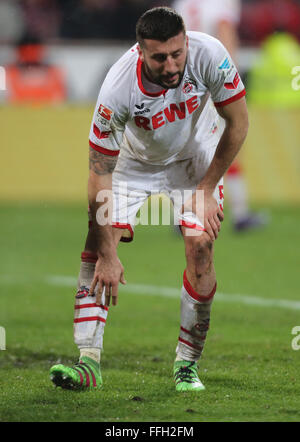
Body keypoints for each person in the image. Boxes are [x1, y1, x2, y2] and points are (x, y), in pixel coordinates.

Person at [50, 7, 248, 392]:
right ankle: (87, 361)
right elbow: (98, 176)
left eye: (177, 53)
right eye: (160, 57)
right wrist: (109, 254)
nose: (171, 64)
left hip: (195, 158)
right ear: (141, 53)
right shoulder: (116, 89)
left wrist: (205, 190)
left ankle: (186, 365)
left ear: (186, 42)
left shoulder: (210, 55)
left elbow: (238, 122)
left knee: (202, 248)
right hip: (134, 165)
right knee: (96, 244)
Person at [172, 0, 267, 231]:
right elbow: (225, 31)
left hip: (184, 81)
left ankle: (182, 213)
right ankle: (240, 213)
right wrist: (230, 79)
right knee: (230, 141)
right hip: (211, 79)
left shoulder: (183, 3)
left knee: (189, 147)